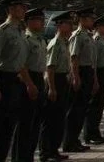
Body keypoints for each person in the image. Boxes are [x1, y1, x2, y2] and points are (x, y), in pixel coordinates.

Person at [0, 0, 30, 162]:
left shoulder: (20, 31)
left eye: (25, 7)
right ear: (11, 9)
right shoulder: (3, 31)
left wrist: (28, 83)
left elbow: (20, 62)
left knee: (9, 127)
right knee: (0, 127)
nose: (24, 10)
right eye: (21, 7)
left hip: (15, 81)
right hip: (3, 80)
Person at [12, 6, 46, 162]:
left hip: (38, 79)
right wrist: (29, 84)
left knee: (35, 122)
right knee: (25, 124)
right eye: (38, 20)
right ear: (29, 22)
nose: (42, 22)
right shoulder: (25, 39)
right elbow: (22, 65)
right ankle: (20, 157)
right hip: (28, 79)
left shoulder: (40, 39)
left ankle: (28, 156)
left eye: (42, 19)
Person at [40, 10, 74, 162]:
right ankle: (45, 152)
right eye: (68, 23)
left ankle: (54, 150)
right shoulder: (55, 43)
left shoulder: (65, 42)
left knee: (59, 118)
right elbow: (50, 68)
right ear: (59, 25)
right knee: (50, 119)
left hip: (63, 80)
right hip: (55, 81)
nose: (71, 26)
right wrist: (52, 88)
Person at [63, 6, 97, 153]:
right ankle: (69, 142)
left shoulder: (88, 35)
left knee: (82, 109)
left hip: (87, 71)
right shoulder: (77, 36)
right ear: (83, 19)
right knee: (75, 110)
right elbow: (74, 58)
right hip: (80, 72)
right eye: (90, 18)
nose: (93, 21)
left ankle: (75, 140)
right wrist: (76, 77)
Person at [84, 14, 104, 145]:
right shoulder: (96, 40)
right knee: (94, 106)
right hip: (98, 73)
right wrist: (95, 79)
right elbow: (93, 62)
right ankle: (90, 134)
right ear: (99, 27)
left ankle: (95, 133)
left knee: (100, 105)